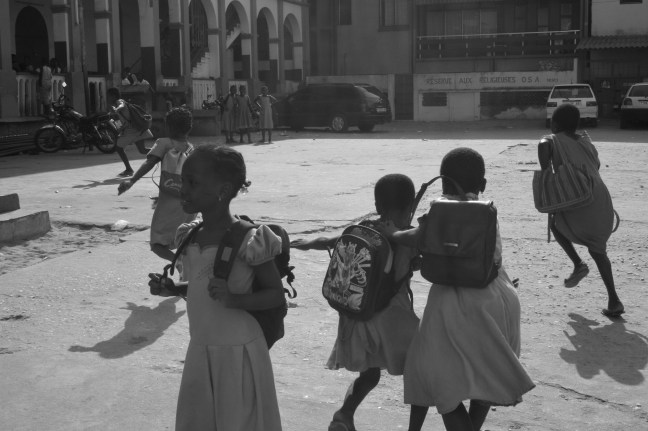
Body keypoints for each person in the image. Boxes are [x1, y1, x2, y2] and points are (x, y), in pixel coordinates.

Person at [378, 148, 535, 431]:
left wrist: (393, 234)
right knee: (484, 378)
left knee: (436, 378)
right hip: (499, 294)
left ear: (443, 182)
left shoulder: (443, 208)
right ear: (482, 184)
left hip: (457, 302)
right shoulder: (486, 208)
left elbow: (419, 237)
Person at [147, 144, 284, 430]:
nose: (183, 189)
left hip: (237, 354)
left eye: (192, 182)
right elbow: (201, 289)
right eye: (183, 180)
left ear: (223, 190)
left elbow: (275, 296)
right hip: (201, 349)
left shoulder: (248, 239)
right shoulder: (191, 235)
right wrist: (173, 289)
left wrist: (235, 300)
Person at [291, 173, 421, 431]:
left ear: (377, 205)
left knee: (370, 375)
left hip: (359, 315)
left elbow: (331, 241)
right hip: (392, 320)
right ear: (410, 206)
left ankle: (344, 415)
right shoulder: (407, 236)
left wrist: (305, 243)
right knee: (420, 369)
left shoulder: (365, 228)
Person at [537, 104, 624, 317]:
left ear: (555, 124)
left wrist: (547, 166)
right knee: (598, 250)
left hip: (580, 196)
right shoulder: (586, 141)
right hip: (600, 197)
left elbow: (543, 148)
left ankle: (578, 264)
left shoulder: (552, 139)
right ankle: (614, 300)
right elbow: (596, 165)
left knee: (555, 223)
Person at [117, 106, 197, 262]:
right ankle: (187, 266)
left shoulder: (164, 143)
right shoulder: (191, 148)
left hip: (168, 203)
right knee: (183, 240)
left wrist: (131, 181)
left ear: (168, 126)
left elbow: (150, 162)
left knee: (157, 244)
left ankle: (178, 264)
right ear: (190, 128)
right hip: (188, 204)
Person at [107, 87, 155, 177]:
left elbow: (121, 105)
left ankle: (129, 169)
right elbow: (121, 123)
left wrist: (116, 109)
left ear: (113, 96)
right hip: (136, 128)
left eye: (109, 96)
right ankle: (163, 153)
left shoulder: (119, 102)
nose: (108, 98)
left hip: (132, 130)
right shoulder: (115, 105)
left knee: (119, 148)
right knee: (142, 150)